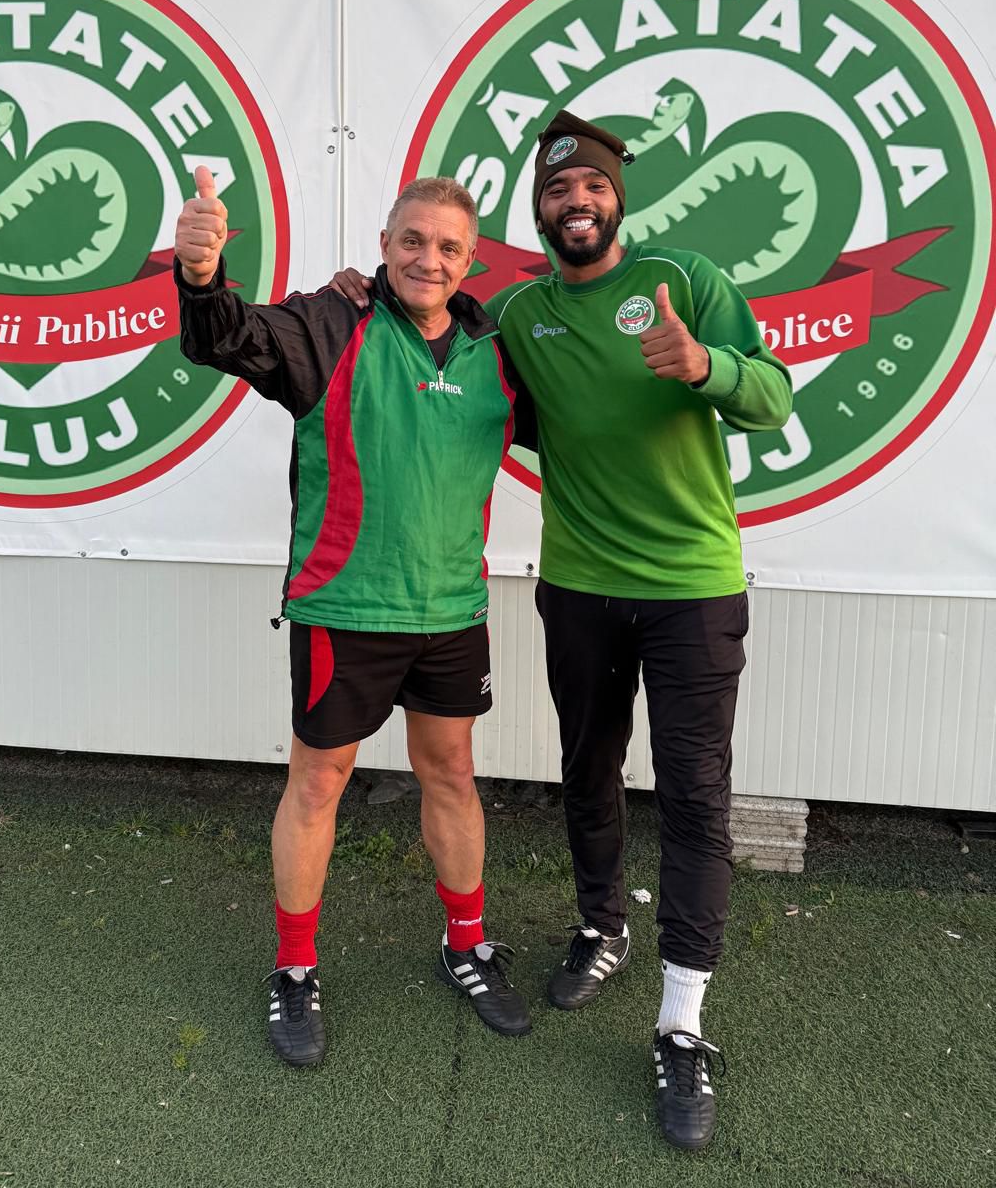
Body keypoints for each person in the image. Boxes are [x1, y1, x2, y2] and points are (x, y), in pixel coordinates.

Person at [332, 111, 792, 1152]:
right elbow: (435, 332)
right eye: (556, 191)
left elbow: (772, 396)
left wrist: (705, 367)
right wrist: (360, 293)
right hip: (579, 586)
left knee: (694, 792)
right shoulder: (521, 314)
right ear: (537, 213)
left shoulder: (686, 281)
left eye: (590, 187)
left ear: (616, 198)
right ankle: (601, 927)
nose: (575, 202)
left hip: (692, 589)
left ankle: (682, 1021)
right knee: (587, 768)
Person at [174, 167, 534, 1068]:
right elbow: (228, 338)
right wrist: (201, 276)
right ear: (383, 246)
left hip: (452, 611)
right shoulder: (330, 324)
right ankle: (295, 968)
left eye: (448, 247)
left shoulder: (497, 349)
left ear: (470, 262)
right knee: (318, 784)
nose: (428, 259)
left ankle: (466, 945)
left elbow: (591, 418)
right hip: (344, 610)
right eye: (412, 240)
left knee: (451, 774)